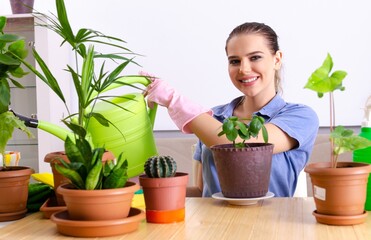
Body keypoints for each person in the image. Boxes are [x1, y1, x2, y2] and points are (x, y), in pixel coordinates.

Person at [145, 22, 319, 197]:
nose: (243, 69)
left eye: (255, 57)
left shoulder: (300, 117)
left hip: (269, 222)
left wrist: (173, 100)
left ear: (277, 59)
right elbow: (201, 191)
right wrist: (147, 190)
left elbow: (239, 145)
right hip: (214, 223)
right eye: (235, 61)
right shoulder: (214, 117)